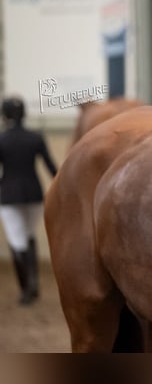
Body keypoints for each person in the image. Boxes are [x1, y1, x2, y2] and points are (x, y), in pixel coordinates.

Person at [0, 96, 58, 305]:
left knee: (17, 241)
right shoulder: (36, 137)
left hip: (8, 196)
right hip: (34, 194)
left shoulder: (2, 139)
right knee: (29, 234)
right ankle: (34, 282)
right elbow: (51, 167)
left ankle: (26, 289)